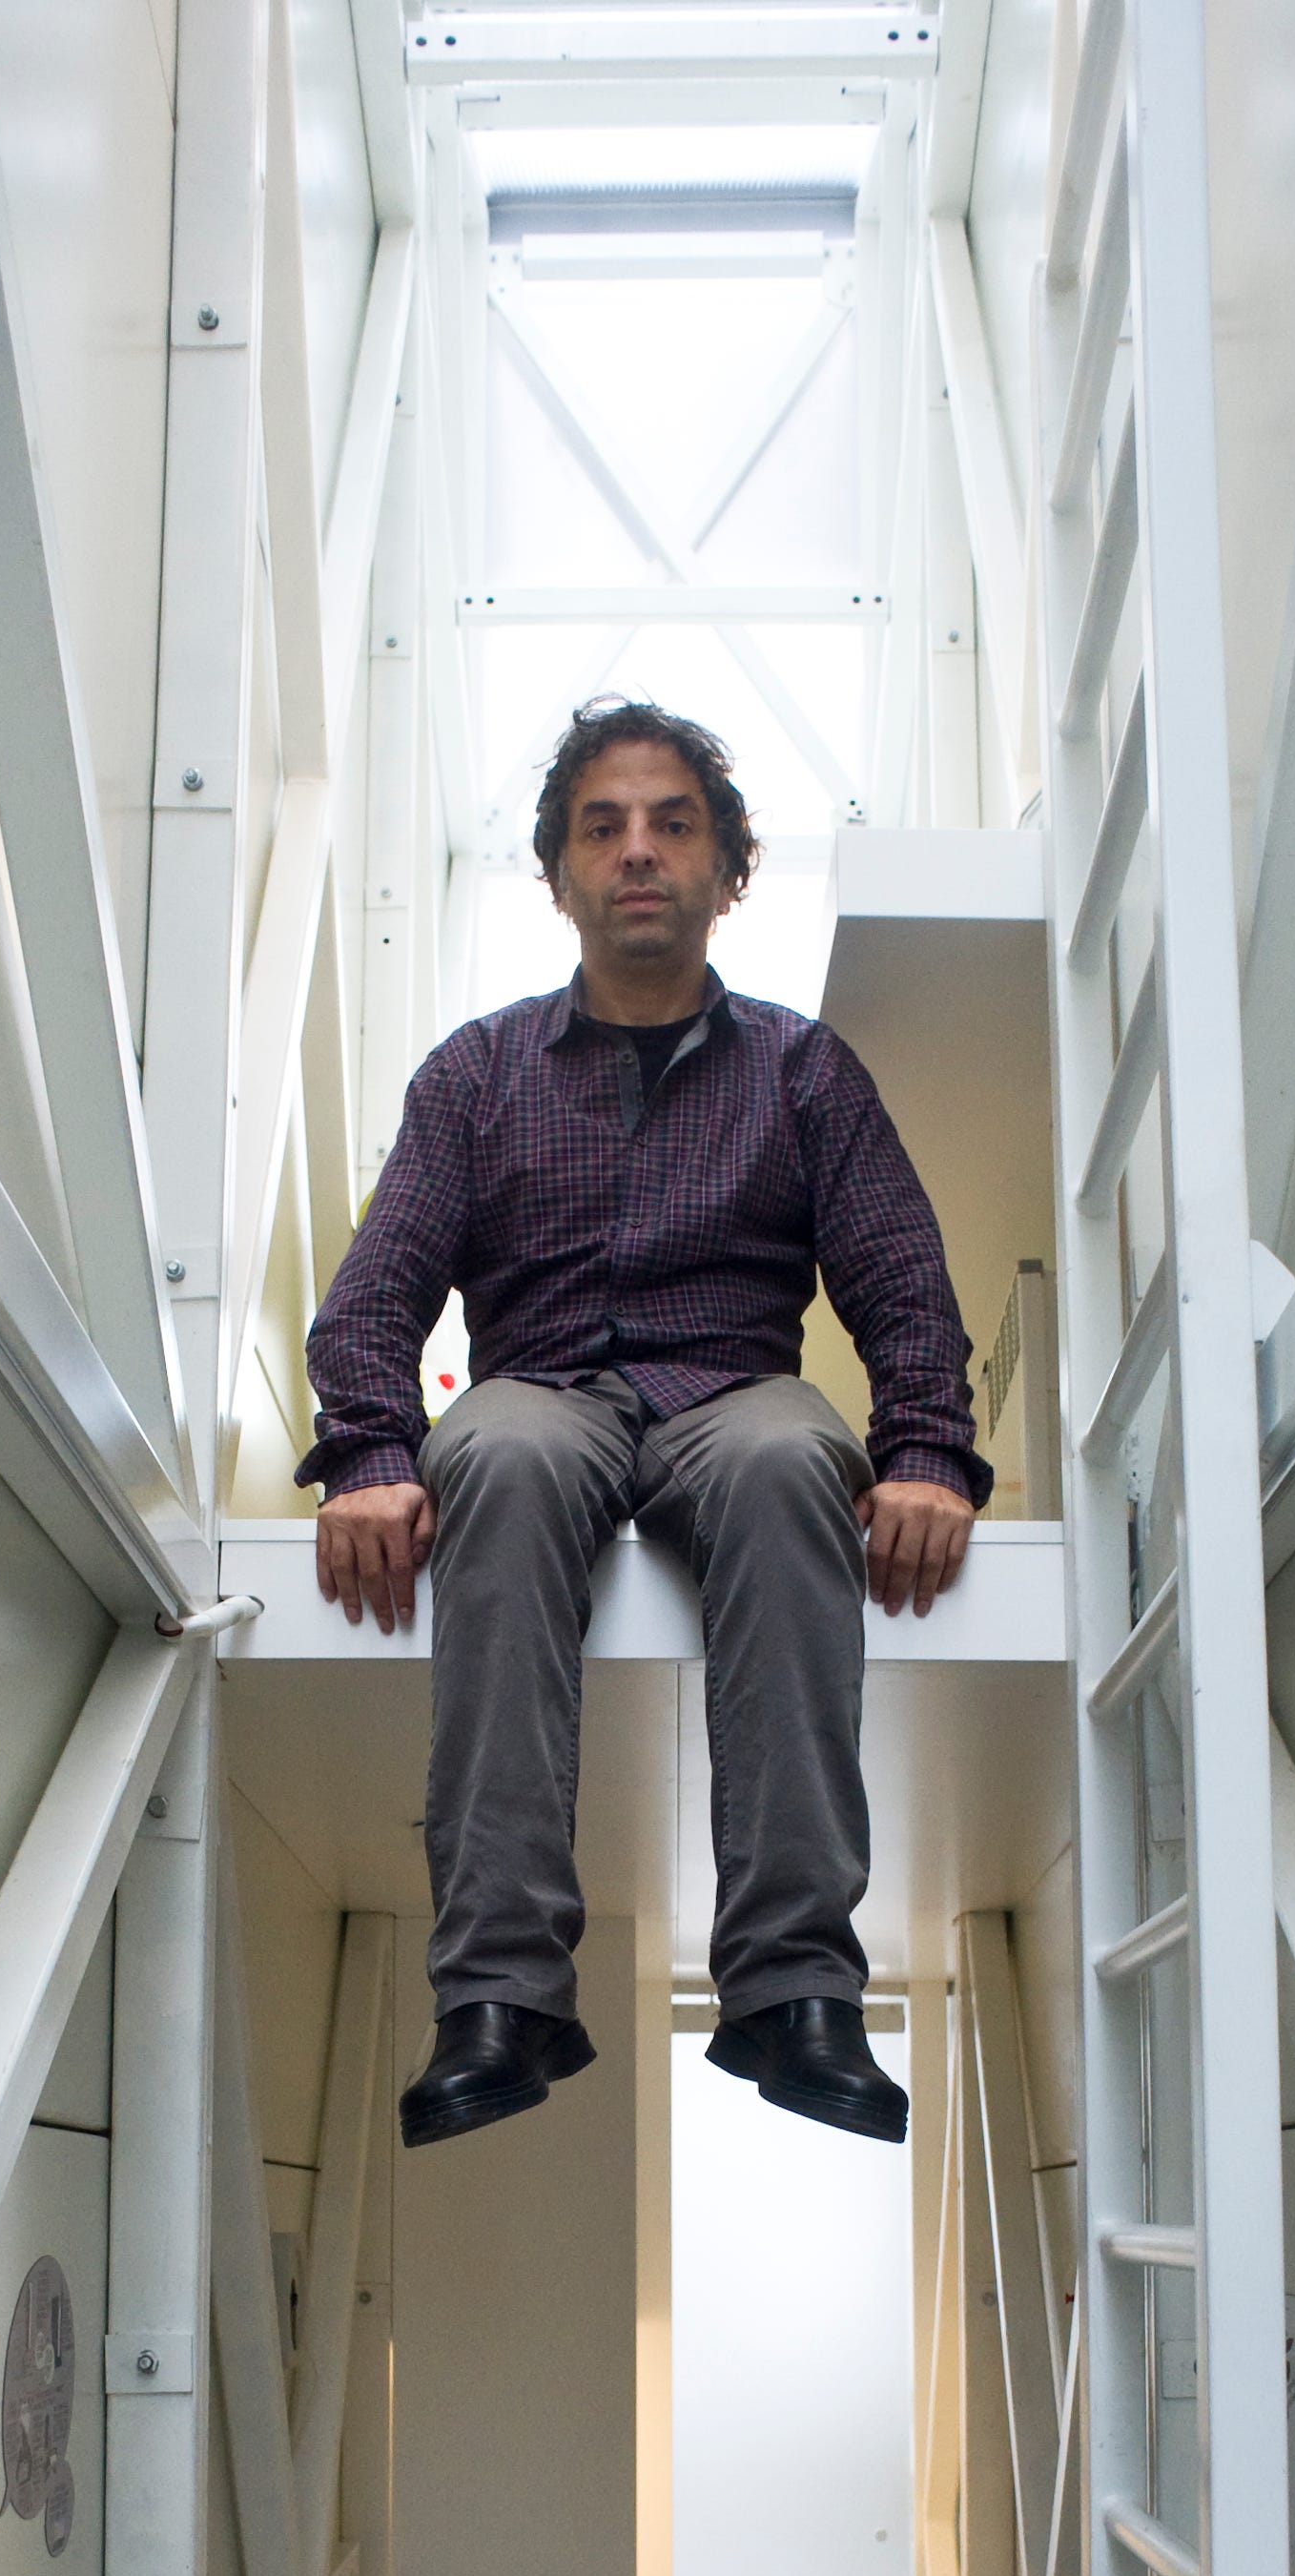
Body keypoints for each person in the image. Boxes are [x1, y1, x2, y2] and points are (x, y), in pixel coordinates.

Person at [300, 698, 988, 2152]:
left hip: (733, 1393)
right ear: (556, 876)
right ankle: (497, 1993)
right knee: (491, 1454)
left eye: (672, 825)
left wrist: (926, 1451)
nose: (635, 851)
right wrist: (367, 1454)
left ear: (727, 873)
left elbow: (903, 1290)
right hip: (536, 1392)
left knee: (796, 1457)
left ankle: (795, 1989)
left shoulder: (804, 1073)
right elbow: (370, 1301)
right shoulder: (474, 1075)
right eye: (601, 827)